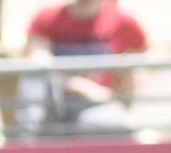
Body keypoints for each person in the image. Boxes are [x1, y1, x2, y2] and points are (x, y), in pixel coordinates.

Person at [18, 0, 144, 136]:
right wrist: (77, 85)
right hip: (55, 103)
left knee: (125, 126)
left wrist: (129, 82)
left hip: (93, 108)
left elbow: (147, 55)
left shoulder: (121, 21)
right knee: (34, 77)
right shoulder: (48, 18)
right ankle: (27, 146)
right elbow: (39, 62)